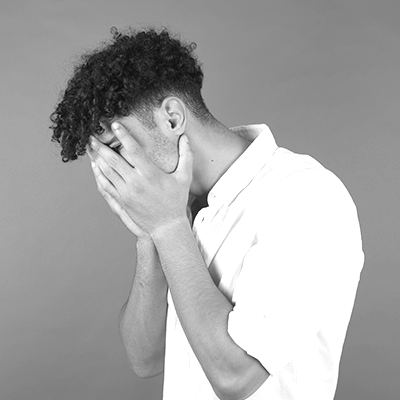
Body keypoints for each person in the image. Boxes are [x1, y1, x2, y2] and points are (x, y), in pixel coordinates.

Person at [50, 27, 364, 400]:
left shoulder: (306, 196)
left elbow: (236, 376)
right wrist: (150, 235)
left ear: (171, 118)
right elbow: (145, 358)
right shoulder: (177, 208)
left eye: (117, 147)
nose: (113, 169)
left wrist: (168, 226)